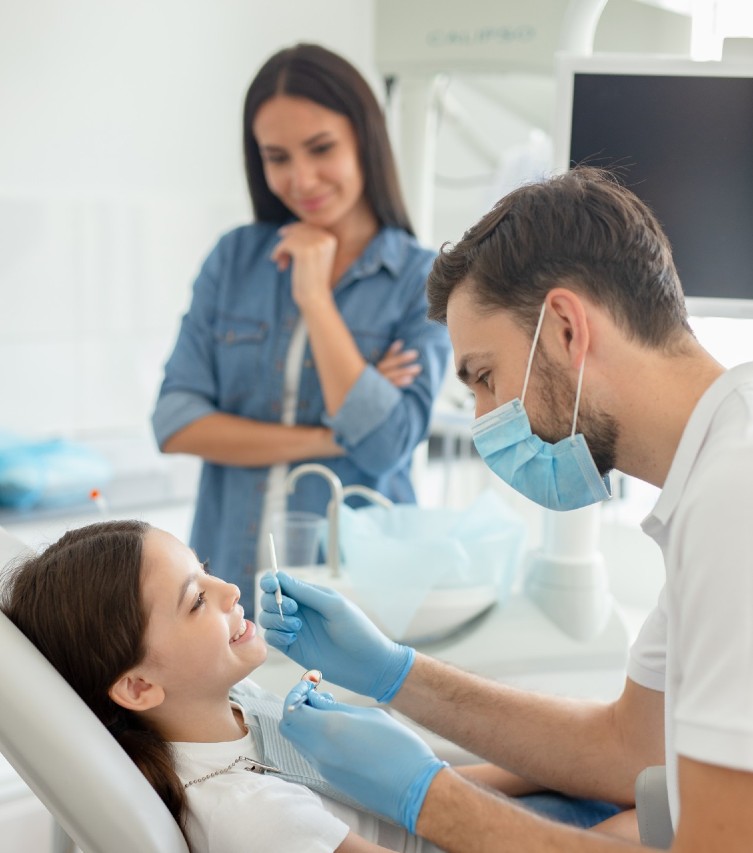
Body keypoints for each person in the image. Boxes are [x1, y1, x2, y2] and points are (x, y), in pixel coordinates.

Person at [258, 166, 753, 851]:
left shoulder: (736, 498)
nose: (486, 420)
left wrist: (429, 798)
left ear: (564, 328)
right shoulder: (717, 466)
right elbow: (628, 746)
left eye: (484, 377)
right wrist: (395, 674)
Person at [151, 43, 451, 610]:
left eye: (320, 149)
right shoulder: (235, 258)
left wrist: (315, 297)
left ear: (364, 139)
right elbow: (175, 421)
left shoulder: (421, 278)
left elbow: (387, 446)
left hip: (357, 597)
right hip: (225, 589)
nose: (301, 178)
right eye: (277, 156)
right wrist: (335, 436)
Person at [0, 519, 499, 852]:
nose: (231, 590)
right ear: (138, 687)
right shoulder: (255, 816)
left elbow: (438, 793)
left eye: (206, 570)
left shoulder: (234, 708)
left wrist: (529, 773)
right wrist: (417, 780)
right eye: (196, 600)